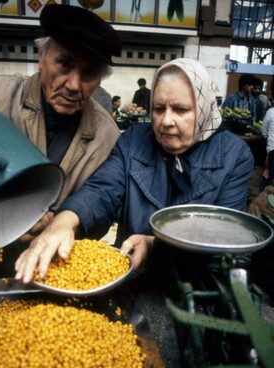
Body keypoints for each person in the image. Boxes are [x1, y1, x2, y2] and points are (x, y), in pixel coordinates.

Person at [15, 58, 254, 283]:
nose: (165, 121)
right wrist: (65, 221)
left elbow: (223, 236)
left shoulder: (234, 156)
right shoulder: (134, 140)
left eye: (180, 110)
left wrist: (155, 245)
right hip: (131, 280)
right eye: (158, 108)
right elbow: (103, 188)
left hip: (196, 287)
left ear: (203, 108)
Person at [0, 4, 121, 242]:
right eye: (65, 63)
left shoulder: (108, 138)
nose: (74, 85)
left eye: (89, 73)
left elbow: (103, 216)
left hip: (54, 273)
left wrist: (65, 223)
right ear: (41, 57)